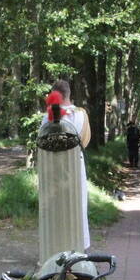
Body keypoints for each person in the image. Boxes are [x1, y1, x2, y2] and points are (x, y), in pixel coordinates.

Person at [39, 80, 91, 249]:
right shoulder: (81, 114)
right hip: (76, 164)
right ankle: (78, 247)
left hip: (53, 167)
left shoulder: (47, 117)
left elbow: (41, 142)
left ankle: (55, 246)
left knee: (54, 207)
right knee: (78, 206)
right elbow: (86, 141)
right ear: (69, 94)